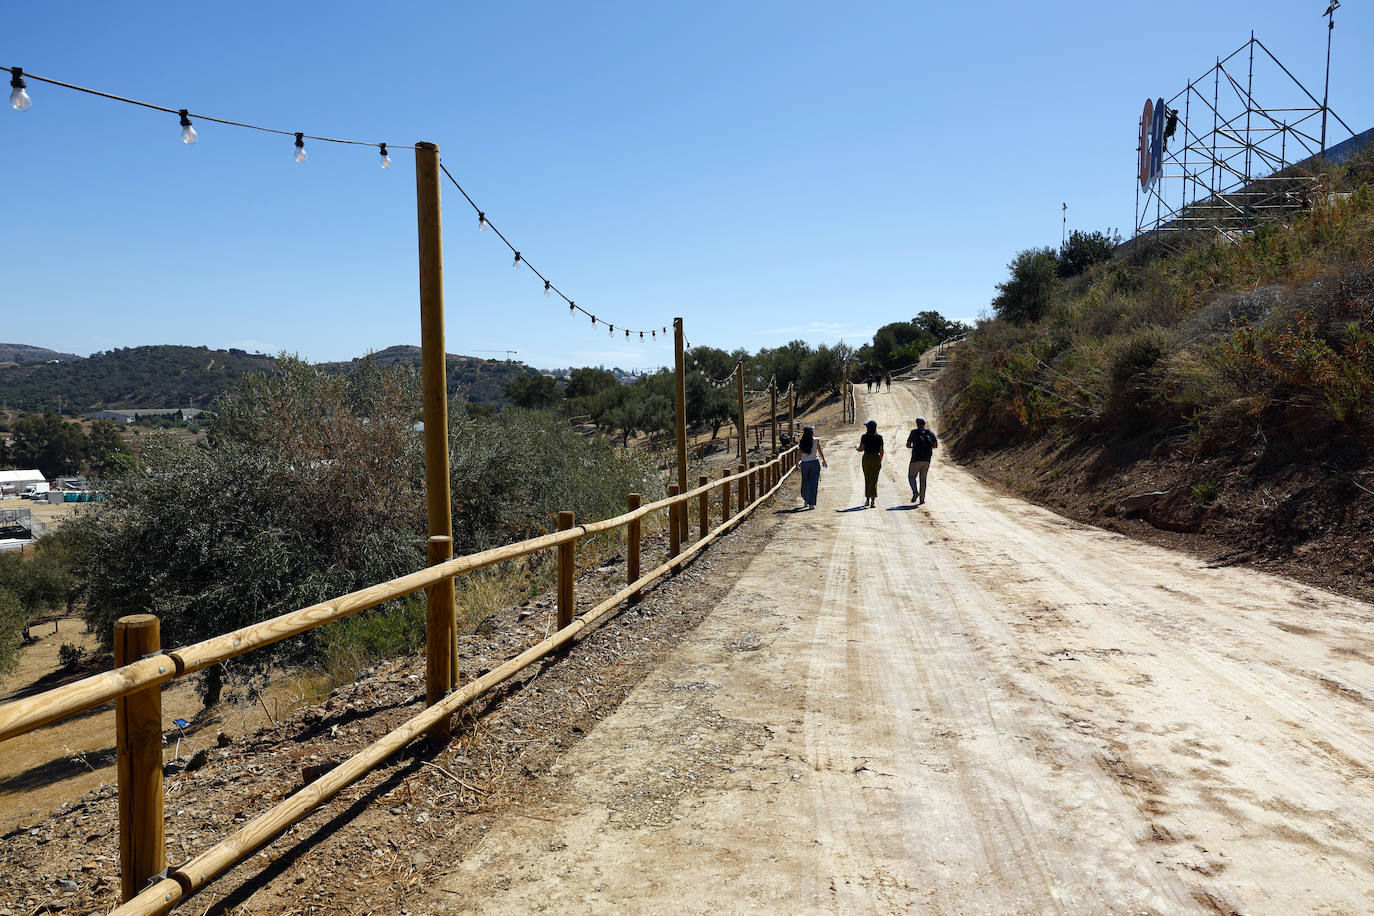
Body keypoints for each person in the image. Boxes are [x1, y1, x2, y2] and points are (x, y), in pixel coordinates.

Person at [905, 416, 938, 504]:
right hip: (927, 459)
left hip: (916, 458)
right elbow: (935, 445)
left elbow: (908, 445)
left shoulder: (914, 432)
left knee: (911, 476)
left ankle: (915, 492)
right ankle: (922, 500)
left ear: (917, 424)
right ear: (924, 424)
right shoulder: (930, 432)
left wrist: (913, 446)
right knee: (923, 479)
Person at [796, 425, 827, 509]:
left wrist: (796, 463)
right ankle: (811, 504)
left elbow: (799, 454)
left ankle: (805, 500)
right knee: (813, 483)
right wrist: (823, 460)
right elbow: (820, 451)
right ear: (811, 432)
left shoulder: (802, 442)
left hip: (805, 464)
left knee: (805, 482)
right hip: (814, 463)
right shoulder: (816, 441)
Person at [855, 419, 883, 508]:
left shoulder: (864, 437)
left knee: (867, 479)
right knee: (874, 479)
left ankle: (867, 500)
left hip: (867, 457)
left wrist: (856, 448)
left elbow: (861, 448)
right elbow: (882, 451)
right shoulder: (879, 437)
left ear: (868, 428)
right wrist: (880, 460)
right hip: (876, 457)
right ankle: (873, 501)